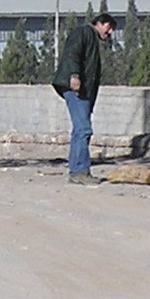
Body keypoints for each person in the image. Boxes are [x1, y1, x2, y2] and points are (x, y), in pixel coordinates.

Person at [51, 11, 117, 184]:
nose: (110, 32)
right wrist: (74, 75)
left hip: (82, 91)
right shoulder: (83, 33)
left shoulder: (91, 37)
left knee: (80, 130)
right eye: (109, 27)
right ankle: (80, 171)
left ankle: (76, 170)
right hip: (75, 89)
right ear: (100, 23)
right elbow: (72, 54)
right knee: (83, 129)